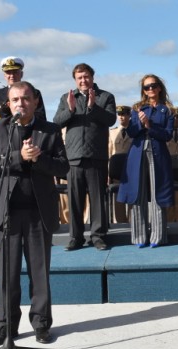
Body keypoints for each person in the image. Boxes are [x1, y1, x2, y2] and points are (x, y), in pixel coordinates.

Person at [0, 81, 69, 345]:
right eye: (15, 99)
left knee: (39, 272)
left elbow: (63, 167)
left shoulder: (50, 131)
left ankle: (41, 324)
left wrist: (39, 158)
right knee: (7, 273)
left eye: (26, 98)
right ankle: (7, 326)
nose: (21, 103)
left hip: (38, 211)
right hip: (5, 212)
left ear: (36, 101)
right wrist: (20, 156)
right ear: (9, 103)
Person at [54, 63, 116, 251]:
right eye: (80, 78)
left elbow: (111, 119)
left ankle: (98, 236)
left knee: (98, 199)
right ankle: (76, 237)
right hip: (73, 157)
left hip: (96, 156)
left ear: (92, 77)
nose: (83, 80)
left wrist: (93, 106)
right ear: (75, 80)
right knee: (74, 200)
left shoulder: (105, 96)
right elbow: (57, 122)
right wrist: (71, 110)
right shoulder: (67, 98)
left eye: (86, 76)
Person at [117, 74, 175, 247]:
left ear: (159, 88)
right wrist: (136, 124)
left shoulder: (168, 110)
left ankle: (158, 237)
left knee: (158, 194)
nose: (150, 89)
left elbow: (167, 135)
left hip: (158, 152)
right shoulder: (137, 108)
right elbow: (132, 133)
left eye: (153, 86)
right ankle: (139, 237)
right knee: (138, 194)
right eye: (146, 87)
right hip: (137, 153)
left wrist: (150, 126)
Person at [0, 56, 46, 125]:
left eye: (15, 72)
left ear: (21, 74)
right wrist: (2, 112)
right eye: (8, 72)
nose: (12, 75)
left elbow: (41, 117)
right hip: (4, 133)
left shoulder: (34, 92)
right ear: (4, 75)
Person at [108, 105, 133, 223]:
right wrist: (108, 174)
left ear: (129, 115)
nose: (121, 117)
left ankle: (133, 224)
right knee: (118, 203)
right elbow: (109, 154)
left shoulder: (134, 132)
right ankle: (121, 225)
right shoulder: (111, 133)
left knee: (133, 202)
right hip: (116, 173)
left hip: (131, 172)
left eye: (124, 114)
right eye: (119, 115)